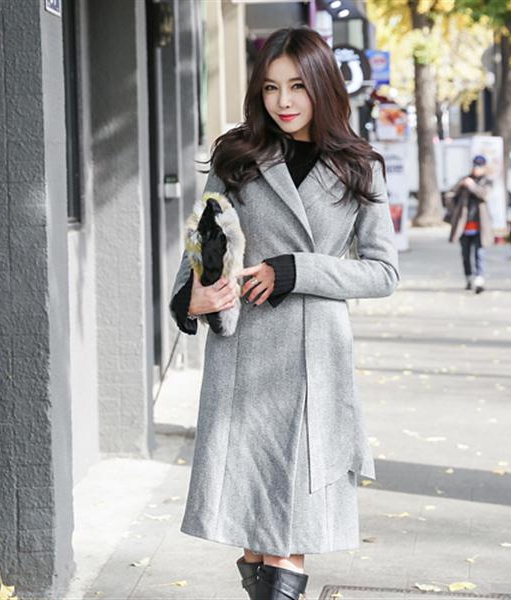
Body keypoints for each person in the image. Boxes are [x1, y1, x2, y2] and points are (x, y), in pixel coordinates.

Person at [169, 27, 400, 600]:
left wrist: (297, 270)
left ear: (322, 85)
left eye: (297, 86)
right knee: (255, 537)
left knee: (286, 534)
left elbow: (383, 273)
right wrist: (189, 298)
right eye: (271, 87)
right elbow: (204, 242)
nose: (284, 101)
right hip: (243, 356)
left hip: (313, 361)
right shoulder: (238, 155)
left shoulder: (359, 165)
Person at [445, 155, 494, 294]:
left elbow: (484, 194)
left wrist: (472, 186)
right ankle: (469, 278)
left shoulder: (487, 181)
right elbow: (449, 195)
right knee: (465, 254)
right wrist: (460, 188)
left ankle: (479, 278)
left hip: (480, 225)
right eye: (474, 166)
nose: (476, 169)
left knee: (479, 253)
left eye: (479, 166)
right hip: (464, 225)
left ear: (484, 167)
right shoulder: (464, 180)